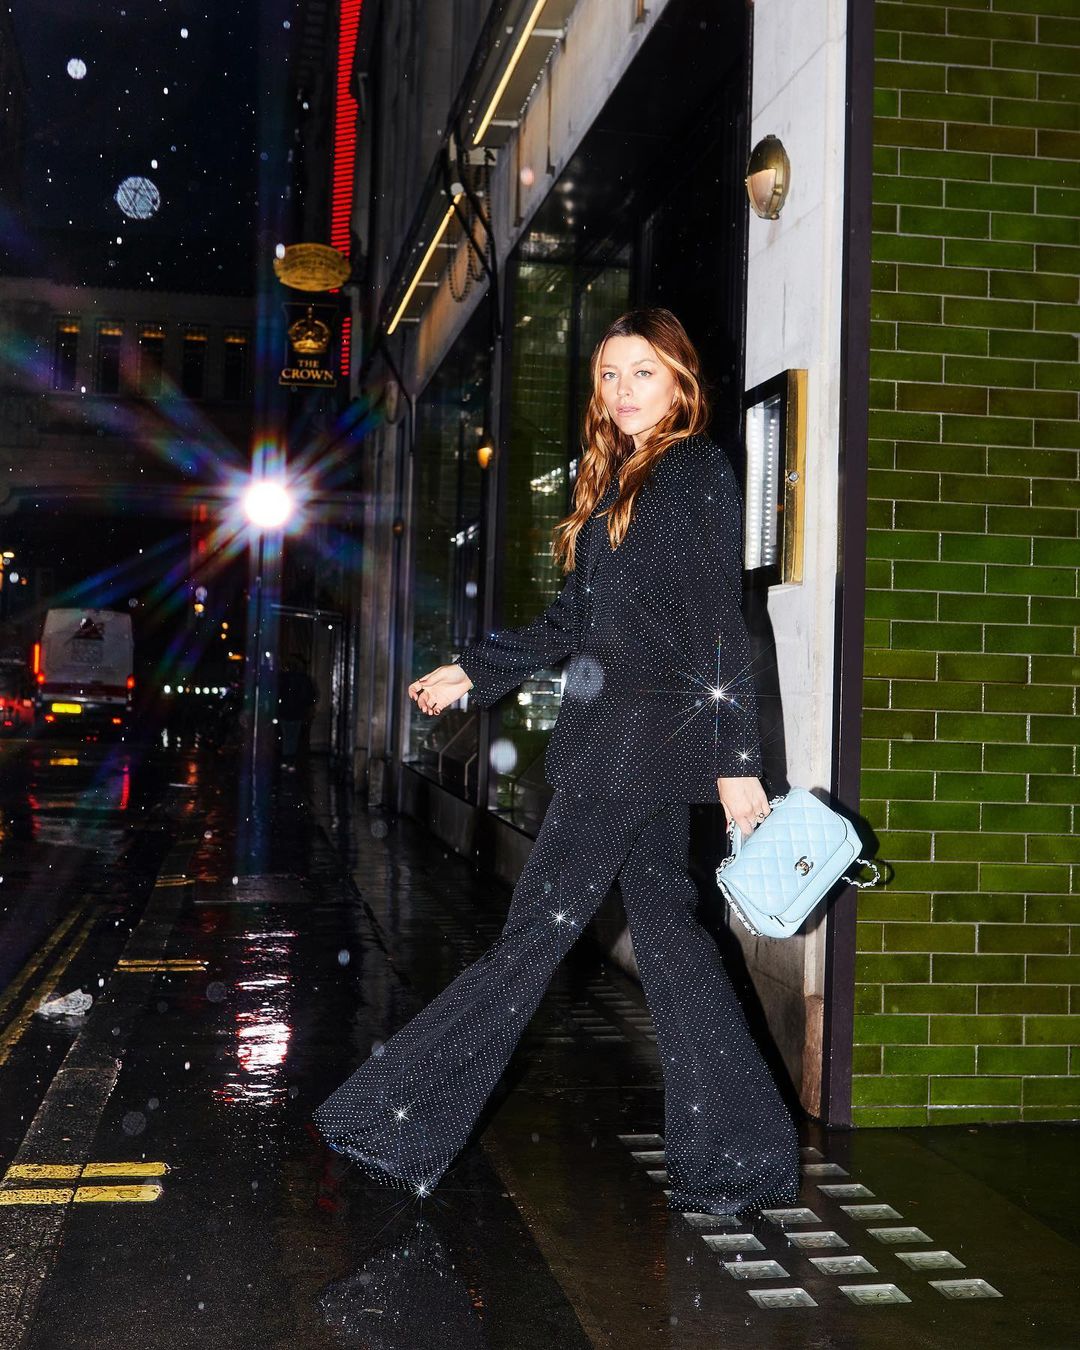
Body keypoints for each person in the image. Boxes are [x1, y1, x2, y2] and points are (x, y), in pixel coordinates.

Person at [313, 308, 799, 1216]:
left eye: (642, 372)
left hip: (635, 750)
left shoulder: (692, 470)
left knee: (537, 932)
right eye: (609, 375)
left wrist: (738, 759)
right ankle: (740, 1159)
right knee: (669, 935)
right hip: (624, 747)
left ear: (680, 380)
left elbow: (720, 622)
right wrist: (476, 671)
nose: (622, 391)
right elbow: (574, 620)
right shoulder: (619, 478)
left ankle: (392, 1120)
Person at [277, 656, 318, 771]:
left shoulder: (283, 678)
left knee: (286, 736)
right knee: (293, 737)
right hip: (298, 712)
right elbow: (310, 695)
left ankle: (286, 759)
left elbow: (277, 693)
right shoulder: (304, 679)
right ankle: (290, 761)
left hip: (284, 711)